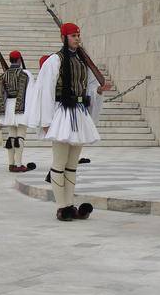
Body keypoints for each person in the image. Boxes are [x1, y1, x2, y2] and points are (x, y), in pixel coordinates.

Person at [29, 23, 109, 221]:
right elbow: (46, 91)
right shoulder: (55, 60)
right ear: (64, 37)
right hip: (62, 114)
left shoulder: (82, 61)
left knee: (72, 164)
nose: (77, 38)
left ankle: (69, 204)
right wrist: (46, 120)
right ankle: (61, 206)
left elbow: (88, 87)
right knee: (60, 162)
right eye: (73, 35)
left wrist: (97, 91)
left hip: (79, 113)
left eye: (78, 35)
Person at [0, 50, 37, 173]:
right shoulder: (25, 74)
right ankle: (18, 164)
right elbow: (30, 93)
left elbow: (0, 94)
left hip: (8, 107)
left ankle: (11, 164)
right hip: (21, 107)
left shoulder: (4, 75)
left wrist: (0, 110)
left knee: (11, 136)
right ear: (19, 60)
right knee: (20, 136)